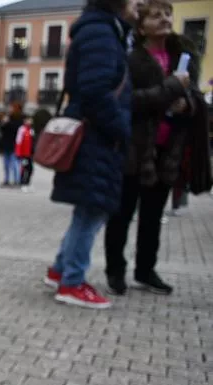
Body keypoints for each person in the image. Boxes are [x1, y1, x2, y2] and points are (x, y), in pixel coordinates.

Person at [44, 0, 136, 309]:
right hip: (97, 137)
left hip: (94, 134)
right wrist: (122, 128)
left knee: (88, 209)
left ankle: (61, 270)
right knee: (92, 210)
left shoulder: (102, 29)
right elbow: (96, 89)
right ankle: (72, 282)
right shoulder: (101, 32)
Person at [104, 0, 197, 296]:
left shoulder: (181, 57)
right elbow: (127, 101)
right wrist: (170, 89)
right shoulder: (132, 59)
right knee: (122, 214)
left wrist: (187, 104)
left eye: (168, 14)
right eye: (156, 15)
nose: (165, 19)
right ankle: (115, 270)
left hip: (166, 150)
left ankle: (146, 270)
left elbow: (193, 97)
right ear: (141, 26)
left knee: (153, 217)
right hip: (135, 148)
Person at [1, 103, 25, 187]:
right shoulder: (8, 118)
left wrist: (7, 123)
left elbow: (17, 129)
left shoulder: (20, 119)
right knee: (6, 164)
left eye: (12, 108)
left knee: (15, 164)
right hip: (6, 144)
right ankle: (6, 179)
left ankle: (16, 180)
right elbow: (3, 130)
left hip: (15, 144)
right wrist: (4, 123)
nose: (10, 109)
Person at [16, 117, 35, 192]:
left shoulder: (31, 130)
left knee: (30, 169)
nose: (30, 121)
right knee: (24, 169)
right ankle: (23, 183)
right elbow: (18, 141)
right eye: (28, 120)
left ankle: (28, 182)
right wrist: (18, 153)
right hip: (24, 154)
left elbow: (33, 142)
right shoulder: (22, 129)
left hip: (30, 154)